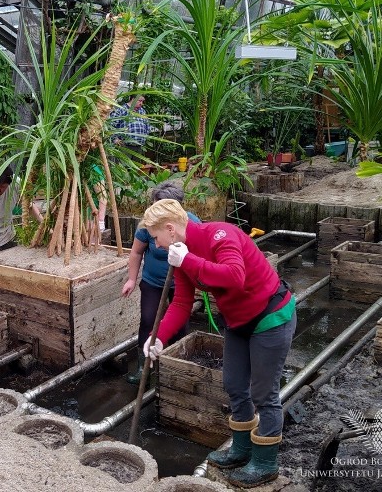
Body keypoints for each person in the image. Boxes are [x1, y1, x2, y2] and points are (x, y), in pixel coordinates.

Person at [139, 199, 296, 488]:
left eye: (155, 237)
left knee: (263, 392)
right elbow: (182, 302)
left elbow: (235, 276)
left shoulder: (219, 235)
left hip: (271, 316)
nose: (156, 245)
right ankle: (240, 450)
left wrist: (187, 260)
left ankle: (264, 464)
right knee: (234, 384)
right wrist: (157, 336)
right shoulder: (180, 256)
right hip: (238, 321)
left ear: (170, 229)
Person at [120, 182, 200, 384]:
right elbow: (137, 252)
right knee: (148, 320)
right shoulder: (149, 224)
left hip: (180, 284)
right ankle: (143, 367)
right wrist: (131, 279)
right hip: (152, 281)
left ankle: (176, 366)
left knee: (180, 324)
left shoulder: (190, 223)